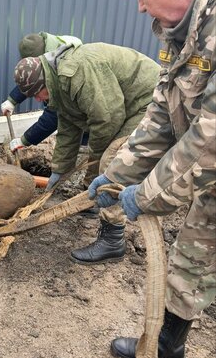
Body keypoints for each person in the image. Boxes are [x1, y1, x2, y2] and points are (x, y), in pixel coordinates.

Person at [87, 0, 215, 358]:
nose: (139, 6)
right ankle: (169, 347)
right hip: (209, 176)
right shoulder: (180, 29)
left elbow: (210, 133)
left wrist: (153, 194)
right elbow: (163, 112)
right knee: (192, 256)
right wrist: (117, 177)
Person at [13, 42, 160, 263]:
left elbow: (107, 119)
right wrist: (59, 171)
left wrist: (99, 162)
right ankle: (93, 202)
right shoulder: (58, 83)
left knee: (113, 163)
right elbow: (68, 128)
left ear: (44, 81)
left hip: (148, 100)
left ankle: (113, 239)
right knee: (102, 160)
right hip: (125, 106)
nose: (37, 99)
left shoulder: (75, 73)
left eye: (37, 93)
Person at [1, 32, 83, 152]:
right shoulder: (42, 47)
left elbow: (53, 117)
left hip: (92, 110)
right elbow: (32, 81)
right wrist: (13, 100)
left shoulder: (63, 69)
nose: (37, 99)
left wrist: (25, 140)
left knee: (79, 134)